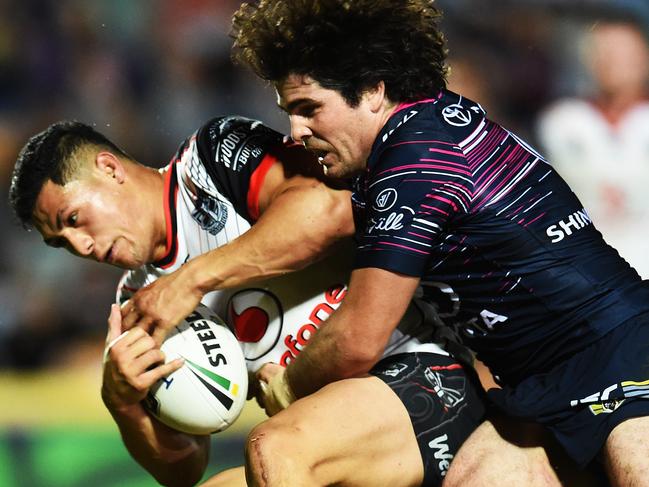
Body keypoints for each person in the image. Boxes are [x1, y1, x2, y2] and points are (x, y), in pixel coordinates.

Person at [231, 0, 649, 485]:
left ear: (371, 90)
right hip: (538, 388)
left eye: (309, 109)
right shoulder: (428, 121)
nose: (296, 131)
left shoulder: (413, 162)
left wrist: (286, 384)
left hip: (621, 351)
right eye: (290, 112)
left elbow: (357, 339)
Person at [10, 116, 503, 487]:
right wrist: (123, 405)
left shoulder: (209, 162)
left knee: (275, 447)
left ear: (109, 168)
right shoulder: (139, 305)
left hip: (418, 375)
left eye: (74, 220)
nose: (82, 248)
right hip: (320, 430)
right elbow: (185, 466)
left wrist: (193, 280)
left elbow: (328, 211)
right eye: (61, 244)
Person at [536, 14, 649, 278]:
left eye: (622, 53)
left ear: (643, 55)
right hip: (586, 274)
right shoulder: (560, 121)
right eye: (603, 52)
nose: (611, 63)